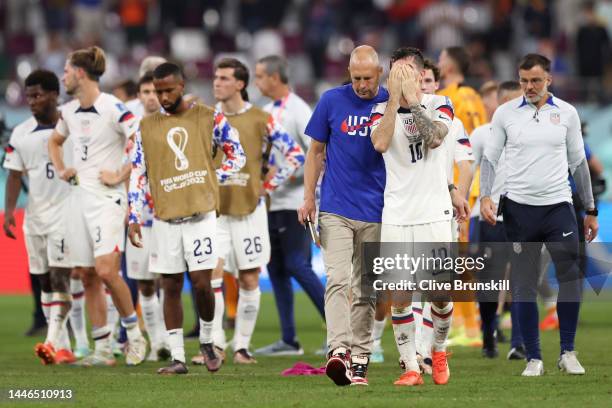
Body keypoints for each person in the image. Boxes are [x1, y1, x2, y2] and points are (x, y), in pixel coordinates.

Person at [480, 53, 599, 377]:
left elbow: (578, 164)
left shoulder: (567, 113)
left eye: (535, 80)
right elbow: (490, 160)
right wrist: (486, 198)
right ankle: (534, 357)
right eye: (523, 81)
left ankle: (568, 352)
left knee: (571, 277)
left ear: (549, 80)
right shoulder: (505, 114)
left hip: (559, 207)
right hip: (519, 209)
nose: (529, 87)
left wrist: (589, 209)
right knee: (523, 286)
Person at [127, 62, 246, 374]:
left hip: (201, 216)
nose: (163, 96)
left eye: (168, 90)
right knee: (170, 285)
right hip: (165, 218)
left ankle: (208, 339)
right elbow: (138, 173)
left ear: (181, 87)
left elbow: (238, 153)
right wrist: (134, 215)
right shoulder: (145, 126)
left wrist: (215, 176)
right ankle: (178, 357)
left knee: (202, 284)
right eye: (157, 90)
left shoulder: (208, 116)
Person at [196, 58, 304, 365]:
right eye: (215, 77)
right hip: (215, 211)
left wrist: (268, 185)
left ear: (240, 84)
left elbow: (295, 154)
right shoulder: (207, 119)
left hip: (249, 211)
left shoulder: (261, 119)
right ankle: (214, 344)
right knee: (212, 276)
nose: (217, 83)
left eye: (224, 78)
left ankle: (241, 347)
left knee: (249, 279)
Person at [47, 46, 147, 366]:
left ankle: (133, 333)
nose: (62, 76)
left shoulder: (114, 108)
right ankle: (102, 349)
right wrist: (62, 169)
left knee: (106, 270)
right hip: (79, 197)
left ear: (80, 73)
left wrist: (120, 173)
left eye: (66, 70)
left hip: (108, 199)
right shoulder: (68, 112)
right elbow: (55, 141)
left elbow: (141, 141)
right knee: (87, 274)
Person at [298, 45, 389, 387]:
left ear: (379, 73)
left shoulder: (391, 103)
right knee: (337, 279)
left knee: (366, 288)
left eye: (367, 78)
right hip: (335, 207)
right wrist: (308, 197)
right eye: (356, 78)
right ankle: (338, 350)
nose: (361, 85)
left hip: (378, 210)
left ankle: (361, 357)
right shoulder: (331, 101)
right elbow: (316, 152)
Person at [370, 47, 457, 387]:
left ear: (421, 76)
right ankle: (409, 366)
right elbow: (379, 143)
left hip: (434, 214)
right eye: (394, 73)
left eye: (405, 72)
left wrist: (414, 101)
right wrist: (395, 100)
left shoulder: (440, 104)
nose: (398, 78)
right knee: (400, 296)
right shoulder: (380, 110)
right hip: (396, 213)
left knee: (439, 296)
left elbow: (434, 138)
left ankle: (437, 350)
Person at [252, 55, 325, 356]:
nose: (257, 82)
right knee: (277, 268)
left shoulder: (298, 110)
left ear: (275, 77)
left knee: (298, 264)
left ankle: (339, 330)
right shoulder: (266, 112)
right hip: (271, 203)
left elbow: (315, 155)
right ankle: (288, 339)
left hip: (296, 203)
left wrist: (286, 181)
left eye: (259, 76)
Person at [3, 69, 75, 364]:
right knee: (45, 282)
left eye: (38, 95)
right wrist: (9, 212)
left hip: (67, 214)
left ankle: (50, 341)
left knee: (61, 278)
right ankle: (64, 347)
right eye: (29, 96)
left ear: (55, 94)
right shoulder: (21, 133)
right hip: (35, 218)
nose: (31, 101)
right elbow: (14, 175)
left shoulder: (72, 125)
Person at [470, 80, 526, 360]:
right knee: (489, 285)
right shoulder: (482, 134)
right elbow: (469, 170)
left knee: (520, 281)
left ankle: (518, 342)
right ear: (504, 103)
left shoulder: (530, 133)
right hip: (489, 219)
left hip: (523, 218)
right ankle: (488, 335)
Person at [123, 72, 170, 361]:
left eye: (155, 91)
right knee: (144, 283)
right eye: (145, 91)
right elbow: (130, 173)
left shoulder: (175, 125)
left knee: (168, 279)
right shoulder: (131, 129)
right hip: (142, 217)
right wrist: (132, 214)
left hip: (169, 217)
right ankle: (157, 343)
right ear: (138, 96)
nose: (151, 96)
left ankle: (168, 339)